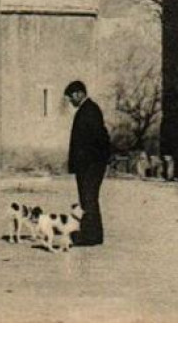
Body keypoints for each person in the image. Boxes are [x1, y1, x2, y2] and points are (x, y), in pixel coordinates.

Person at [65, 79, 110, 246]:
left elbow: (100, 138)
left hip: (91, 165)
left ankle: (91, 236)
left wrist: (94, 162)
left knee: (89, 198)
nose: (70, 101)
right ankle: (92, 234)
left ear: (79, 94)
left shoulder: (90, 110)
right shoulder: (86, 110)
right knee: (87, 198)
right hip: (87, 165)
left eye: (71, 97)